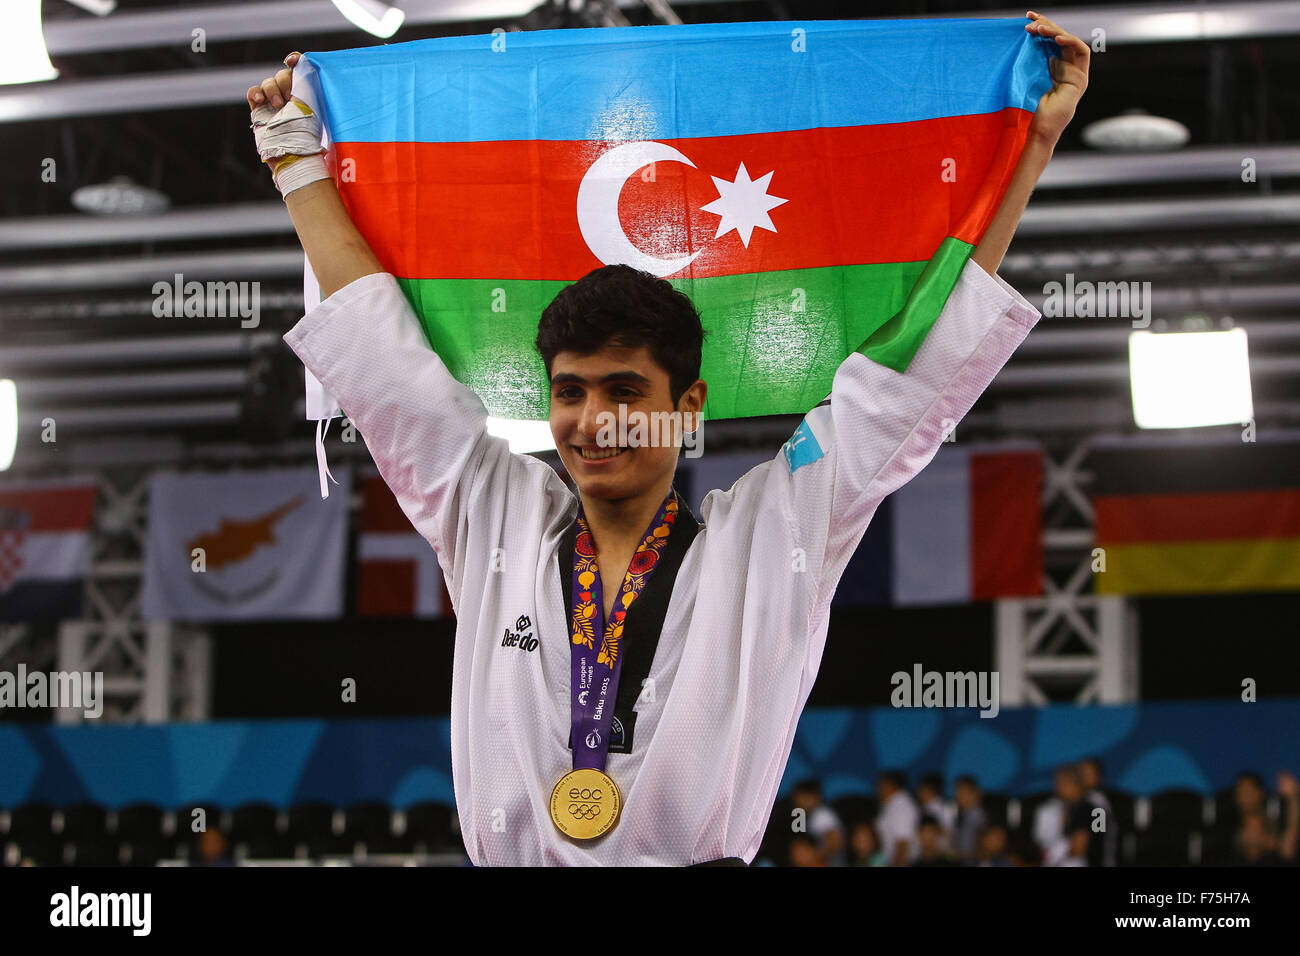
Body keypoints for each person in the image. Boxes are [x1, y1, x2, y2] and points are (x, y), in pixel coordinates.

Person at [246, 13, 1089, 865]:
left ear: (688, 408)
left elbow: (905, 384)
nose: (591, 420)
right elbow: (385, 363)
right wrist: (294, 159)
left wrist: (1031, 147)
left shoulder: (772, 535)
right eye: (568, 392)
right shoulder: (493, 518)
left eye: (624, 391)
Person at [792, 779, 846, 866]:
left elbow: (835, 842)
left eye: (802, 797)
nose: (798, 801)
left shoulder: (822, 815)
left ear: (815, 797)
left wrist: (813, 857)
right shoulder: (807, 816)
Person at [875, 771, 921, 866]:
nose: (878, 789)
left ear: (889, 785)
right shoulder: (891, 805)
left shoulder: (901, 806)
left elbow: (903, 842)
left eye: (880, 785)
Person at [1077, 757, 1116, 866]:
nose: (1083, 778)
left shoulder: (1098, 803)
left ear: (1099, 776)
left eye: (1088, 774)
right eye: (1081, 773)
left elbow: (1098, 837)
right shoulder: (1079, 801)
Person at [953, 774, 988, 863]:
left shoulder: (979, 816)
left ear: (975, 793)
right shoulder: (962, 816)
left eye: (962, 792)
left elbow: (983, 848)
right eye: (957, 791)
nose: (958, 796)